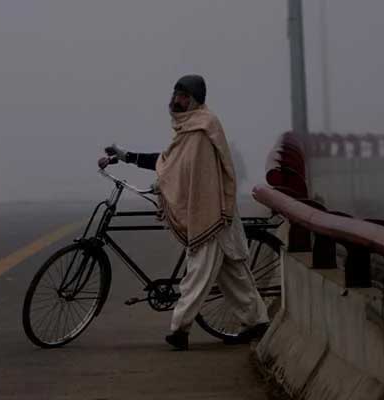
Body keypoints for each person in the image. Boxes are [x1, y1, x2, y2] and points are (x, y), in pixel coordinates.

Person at [99, 74, 269, 350]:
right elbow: (171, 162)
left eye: (182, 96)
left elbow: (183, 171)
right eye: (175, 94)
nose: (176, 100)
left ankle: (179, 329)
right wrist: (127, 156)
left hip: (210, 214)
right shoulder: (189, 129)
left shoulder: (203, 128)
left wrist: (162, 183)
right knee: (233, 275)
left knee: (198, 274)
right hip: (215, 211)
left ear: (194, 100)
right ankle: (258, 321)